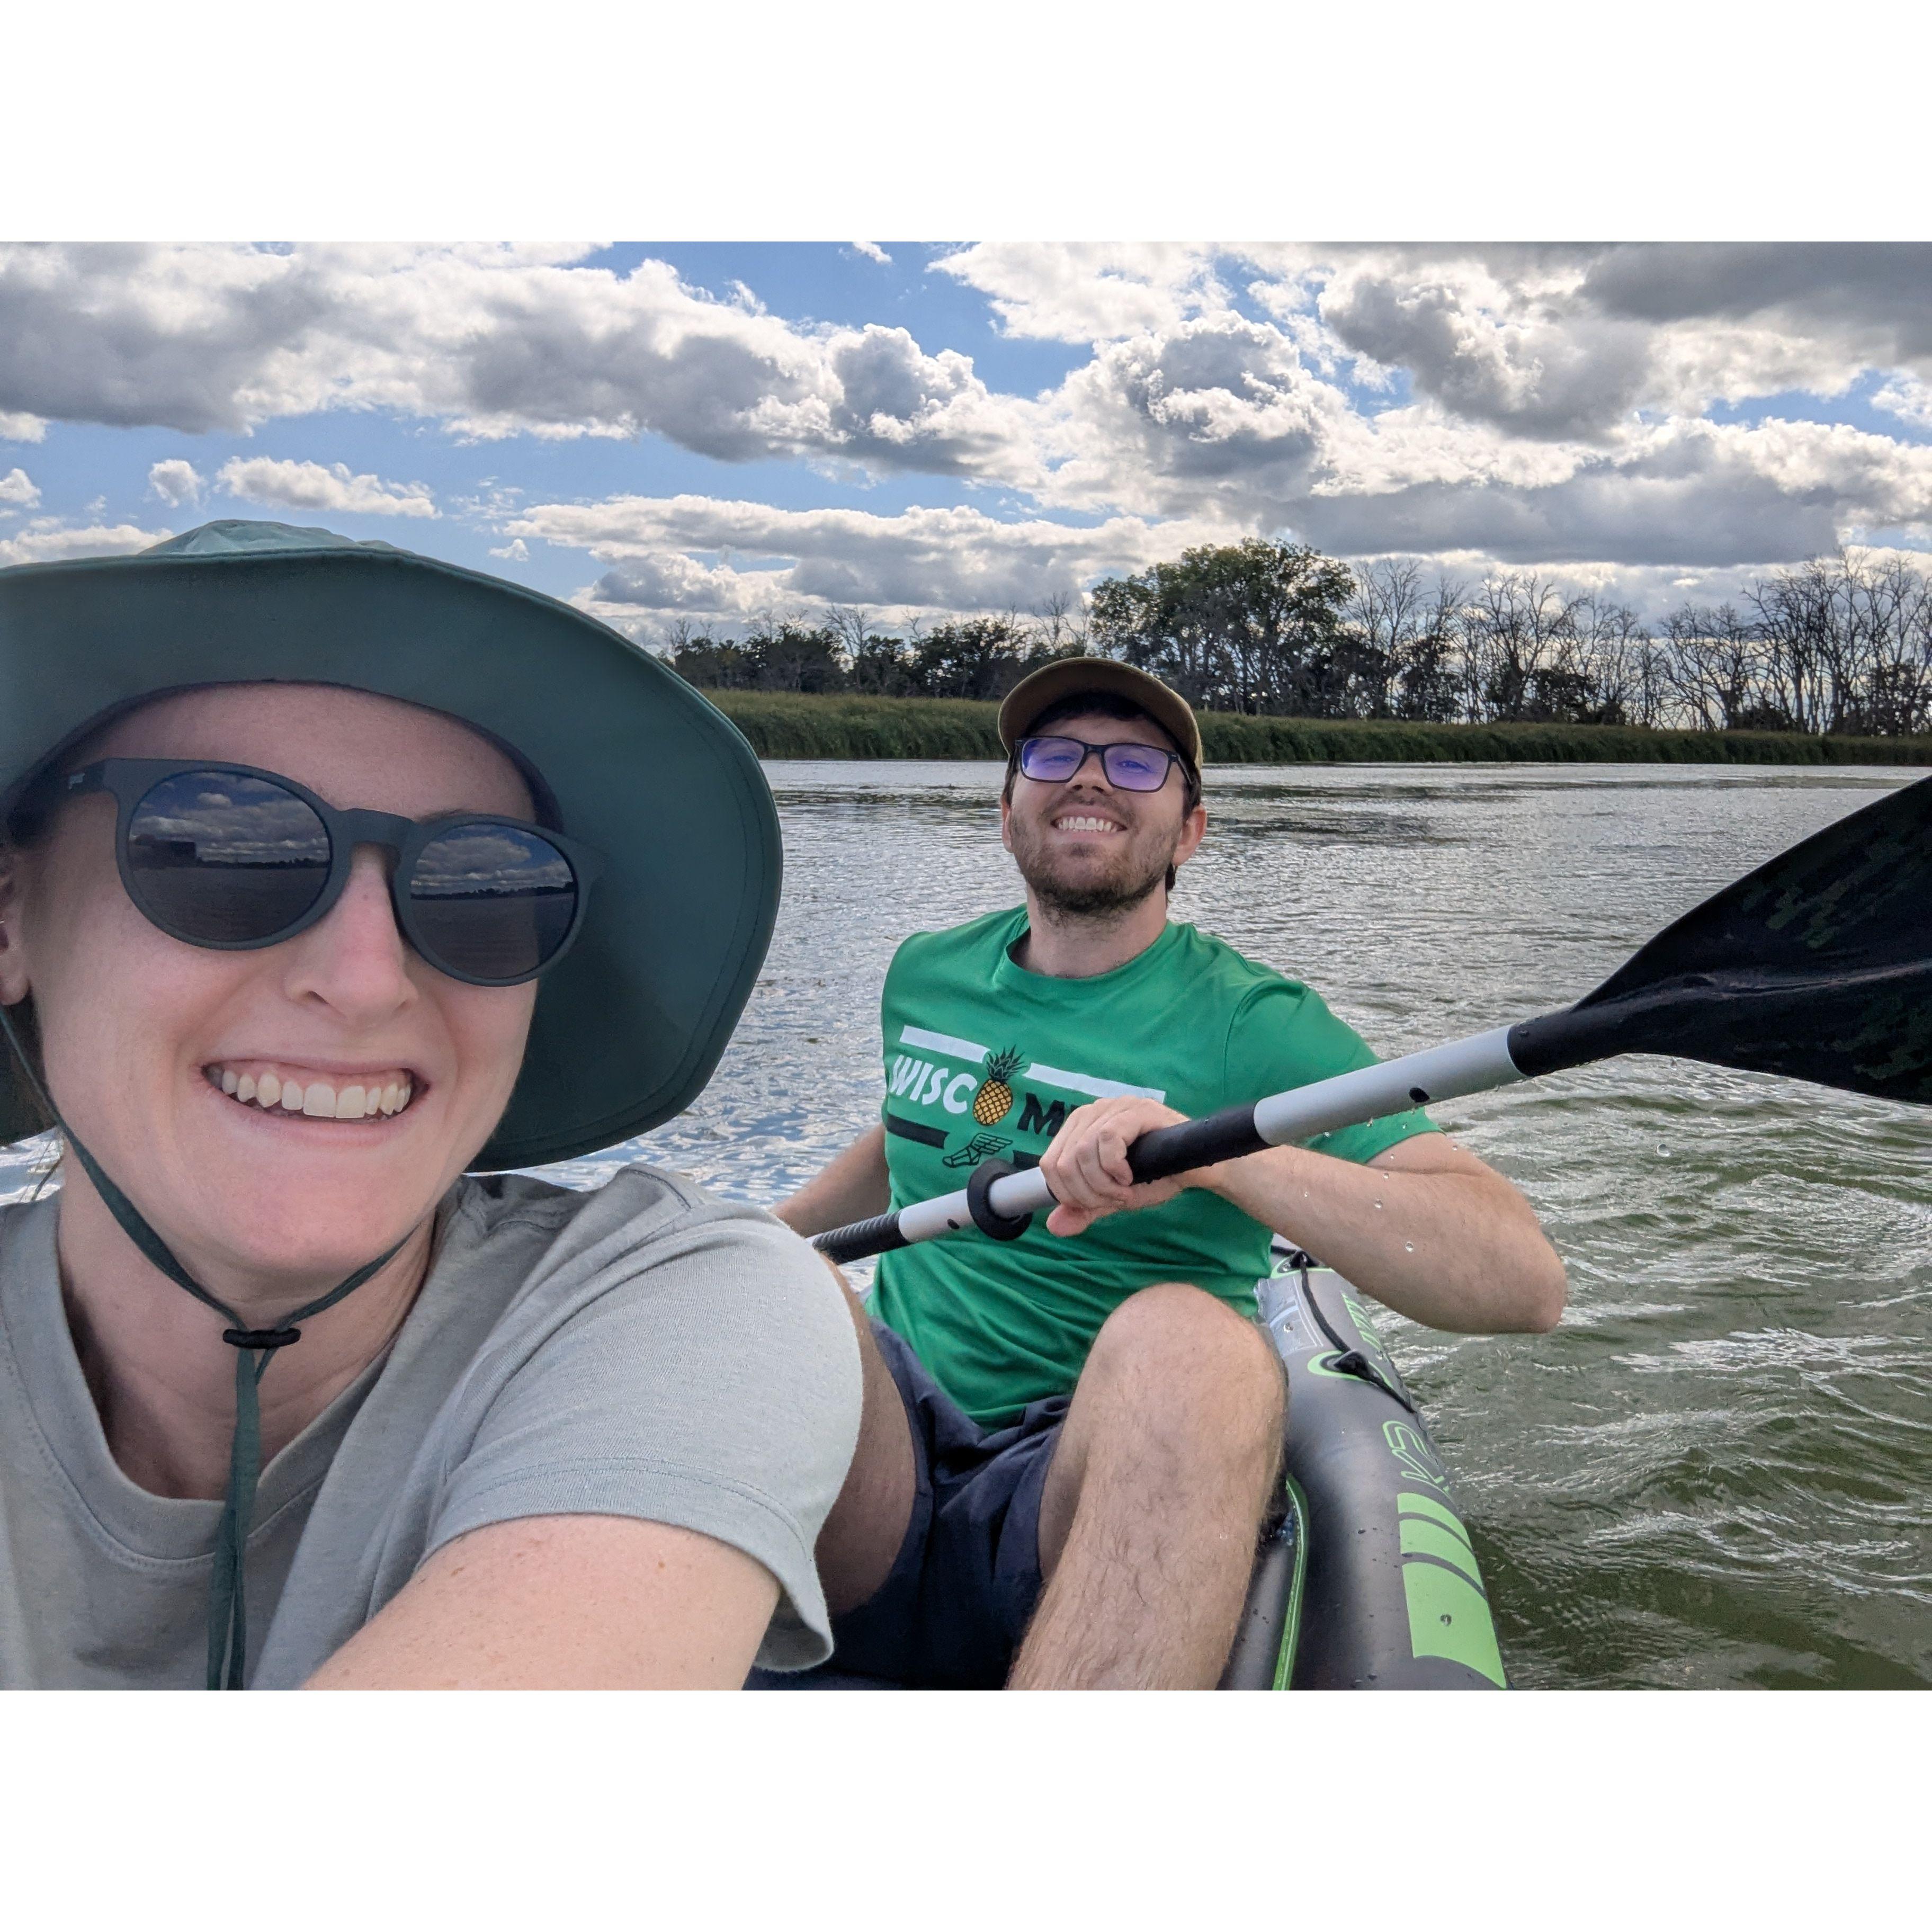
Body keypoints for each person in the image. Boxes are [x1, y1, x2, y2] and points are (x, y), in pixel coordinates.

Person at [0, 520, 860, 1689]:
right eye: (219, 850)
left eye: (481, 888)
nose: (364, 981)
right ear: (11, 915)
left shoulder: (680, 1302)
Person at [776, 659, 1566, 1689]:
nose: (1092, 778)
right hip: (891, 1439)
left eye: (1139, 762)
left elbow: (1524, 1283)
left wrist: (1220, 1159)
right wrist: (764, 1237)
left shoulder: (1256, 1025)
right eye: (1054, 755)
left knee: (1198, 1345)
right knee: (754, 1281)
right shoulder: (927, 972)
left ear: (1190, 830)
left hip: (1083, 1469)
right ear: (1007, 810)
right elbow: (905, 1138)